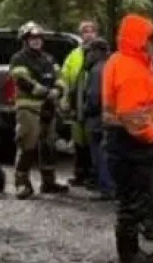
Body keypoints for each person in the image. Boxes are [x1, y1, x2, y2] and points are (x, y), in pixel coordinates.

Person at [102, 14, 153, 263]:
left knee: (128, 200)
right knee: (133, 201)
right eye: (151, 39)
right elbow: (133, 116)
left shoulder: (121, 61)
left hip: (122, 143)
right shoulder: (132, 68)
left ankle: (131, 251)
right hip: (133, 146)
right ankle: (129, 256)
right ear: (140, 40)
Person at [8, 22, 68, 200]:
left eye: (38, 38)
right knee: (28, 144)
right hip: (28, 107)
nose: (36, 41)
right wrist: (46, 92)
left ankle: (49, 183)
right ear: (25, 40)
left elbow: (61, 77)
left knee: (49, 145)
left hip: (48, 107)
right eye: (32, 38)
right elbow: (22, 81)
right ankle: (22, 184)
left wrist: (59, 89)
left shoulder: (49, 59)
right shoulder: (18, 58)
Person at [62, 20, 99, 187]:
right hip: (77, 102)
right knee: (79, 142)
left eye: (91, 31)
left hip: (94, 104)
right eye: (85, 31)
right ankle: (80, 174)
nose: (88, 34)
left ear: (96, 34)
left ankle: (94, 176)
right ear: (80, 35)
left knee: (93, 142)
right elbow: (64, 78)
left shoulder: (101, 54)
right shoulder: (73, 55)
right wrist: (64, 100)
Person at [83, 38, 114, 200]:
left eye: (89, 52)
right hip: (112, 118)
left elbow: (94, 97)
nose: (87, 55)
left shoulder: (97, 70)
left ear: (97, 52)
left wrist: (84, 111)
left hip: (97, 119)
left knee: (100, 155)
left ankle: (107, 188)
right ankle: (111, 187)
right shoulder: (112, 66)